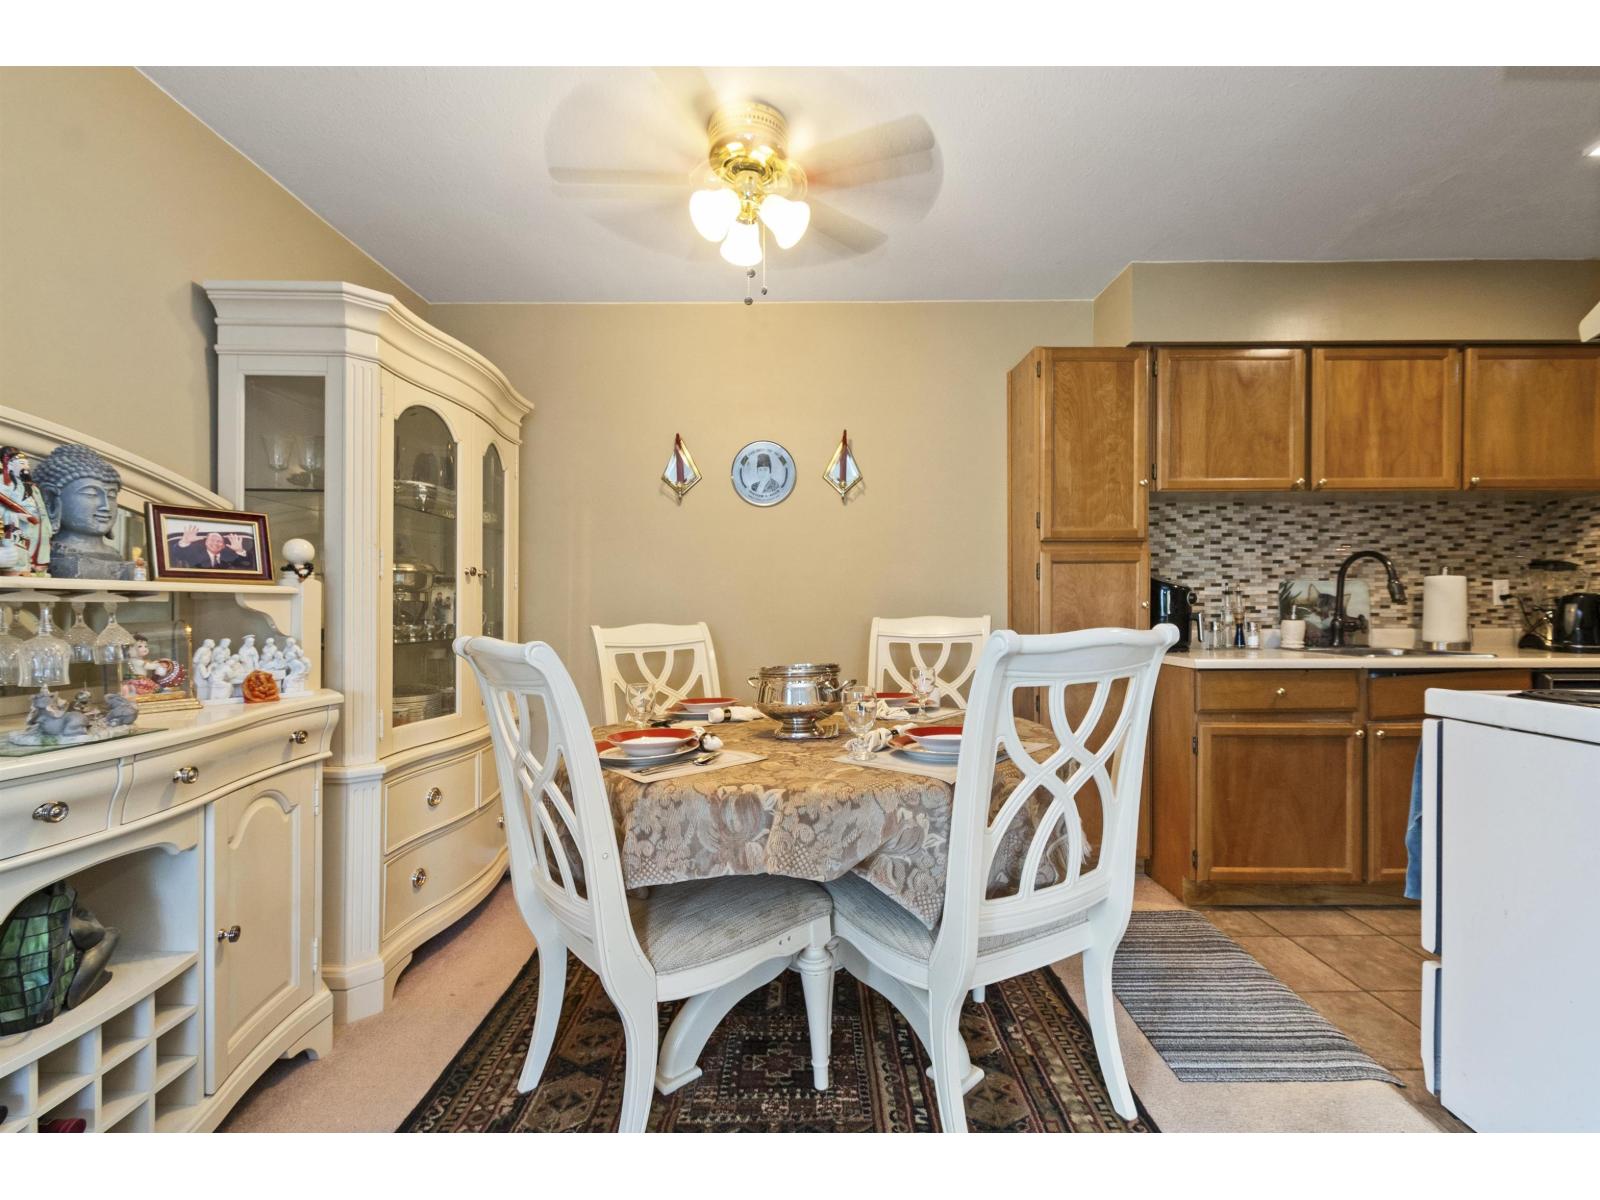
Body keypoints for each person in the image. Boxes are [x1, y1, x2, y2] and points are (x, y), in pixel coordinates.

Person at [171, 525, 255, 570]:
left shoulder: (230, 556)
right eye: (212, 540)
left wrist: (239, 550)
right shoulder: (195, 554)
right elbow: (178, 554)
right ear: (206, 543)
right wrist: (185, 542)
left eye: (219, 541)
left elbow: (248, 564)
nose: (215, 543)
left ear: (223, 546)